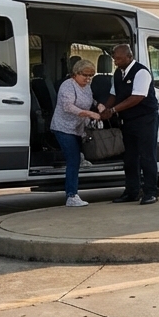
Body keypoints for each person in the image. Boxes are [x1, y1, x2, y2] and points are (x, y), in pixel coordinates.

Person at [100, 44, 159, 205]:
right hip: (128, 121)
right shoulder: (118, 74)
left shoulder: (141, 72)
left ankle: (150, 192)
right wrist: (105, 109)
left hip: (145, 119)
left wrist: (112, 110)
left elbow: (137, 97)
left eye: (119, 59)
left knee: (147, 156)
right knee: (130, 158)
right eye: (114, 59)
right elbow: (114, 93)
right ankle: (131, 191)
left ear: (129, 57)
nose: (116, 62)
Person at [50, 59, 104, 207]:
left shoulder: (86, 86)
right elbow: (68, 106)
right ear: (75, 73)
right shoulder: (67, 86)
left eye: (91, 76)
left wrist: (97, 104)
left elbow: (89, 98)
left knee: (75, 158)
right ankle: (71, 195)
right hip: (64, 127)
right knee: (73, 160)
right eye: (85, 75)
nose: (88, 79)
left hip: (78, 128)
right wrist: (89, 113)